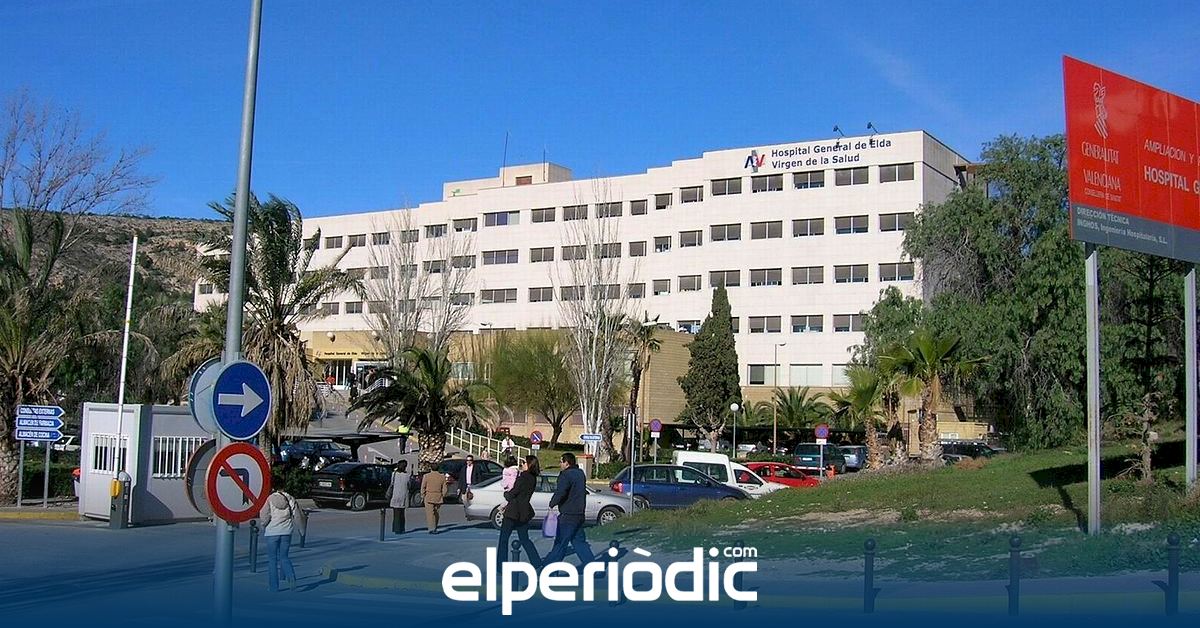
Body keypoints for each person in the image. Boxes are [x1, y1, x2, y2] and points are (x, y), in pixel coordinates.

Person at [542, 452, 595, 565]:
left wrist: (552, 503)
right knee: (579, 543)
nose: (560, 464)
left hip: (568, 514)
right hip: (579, 513)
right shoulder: (580, 473)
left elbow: (561, 492)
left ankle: (549, 567)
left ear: (567, 463)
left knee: (560, 543)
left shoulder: (565, 475)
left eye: (561, 462)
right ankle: (593, 568)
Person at [498, 455, 542, 567]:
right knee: (524, 539)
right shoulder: (533, 478)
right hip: (524, 512)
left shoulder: (522, 477)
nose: (522, 465)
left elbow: (512, 494)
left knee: (504, 539)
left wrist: (506, 494)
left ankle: (501, 565)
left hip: (513, 511)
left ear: (529, 465)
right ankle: (536, 562)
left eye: (524, 463)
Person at [260, 489, 303, 592]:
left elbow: (264, 515)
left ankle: (273, 587)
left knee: (272, 560)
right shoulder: (290, 499)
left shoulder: (269, 499)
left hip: (272, 532)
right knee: (284, 557)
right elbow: (297, 515)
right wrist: (301, 530)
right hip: (286, 532)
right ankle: (291, 579)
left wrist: (263, 525)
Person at [420, 462, 448, 534]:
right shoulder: (442, 477)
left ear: (431, 468)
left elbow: (423, 487)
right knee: (436, 513)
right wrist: (443, 495)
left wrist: (422, 495)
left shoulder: (426, 476)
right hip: (438, 496)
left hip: (428, 496)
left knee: (430, 514)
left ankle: (431, 528)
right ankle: (435, 526)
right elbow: (445, 488)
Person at [388, 460, 411, 535]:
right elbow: (409, 485)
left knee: (396, 513)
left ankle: (396, 528)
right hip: (403, 495)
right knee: (402, 513)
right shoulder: (407, 475)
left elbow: (392, 483)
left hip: (395, 495)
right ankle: (402, 528)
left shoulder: (394, 474)